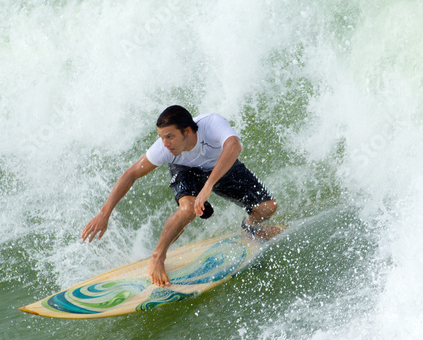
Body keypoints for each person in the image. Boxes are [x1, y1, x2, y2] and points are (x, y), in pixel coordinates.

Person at [81, 105, 278, 287]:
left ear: (188, 131)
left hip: (219, 166)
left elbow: (234, 146)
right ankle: (158, 256)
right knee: (188, 209)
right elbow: (131, 173)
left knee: (268, 207)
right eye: (161, 137)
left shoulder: (212, 124)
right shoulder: (166, 150)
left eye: (169, 136)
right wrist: (104, 213)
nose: (165, 143)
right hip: (185, 169)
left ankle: (250, 227)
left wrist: (208, 186)